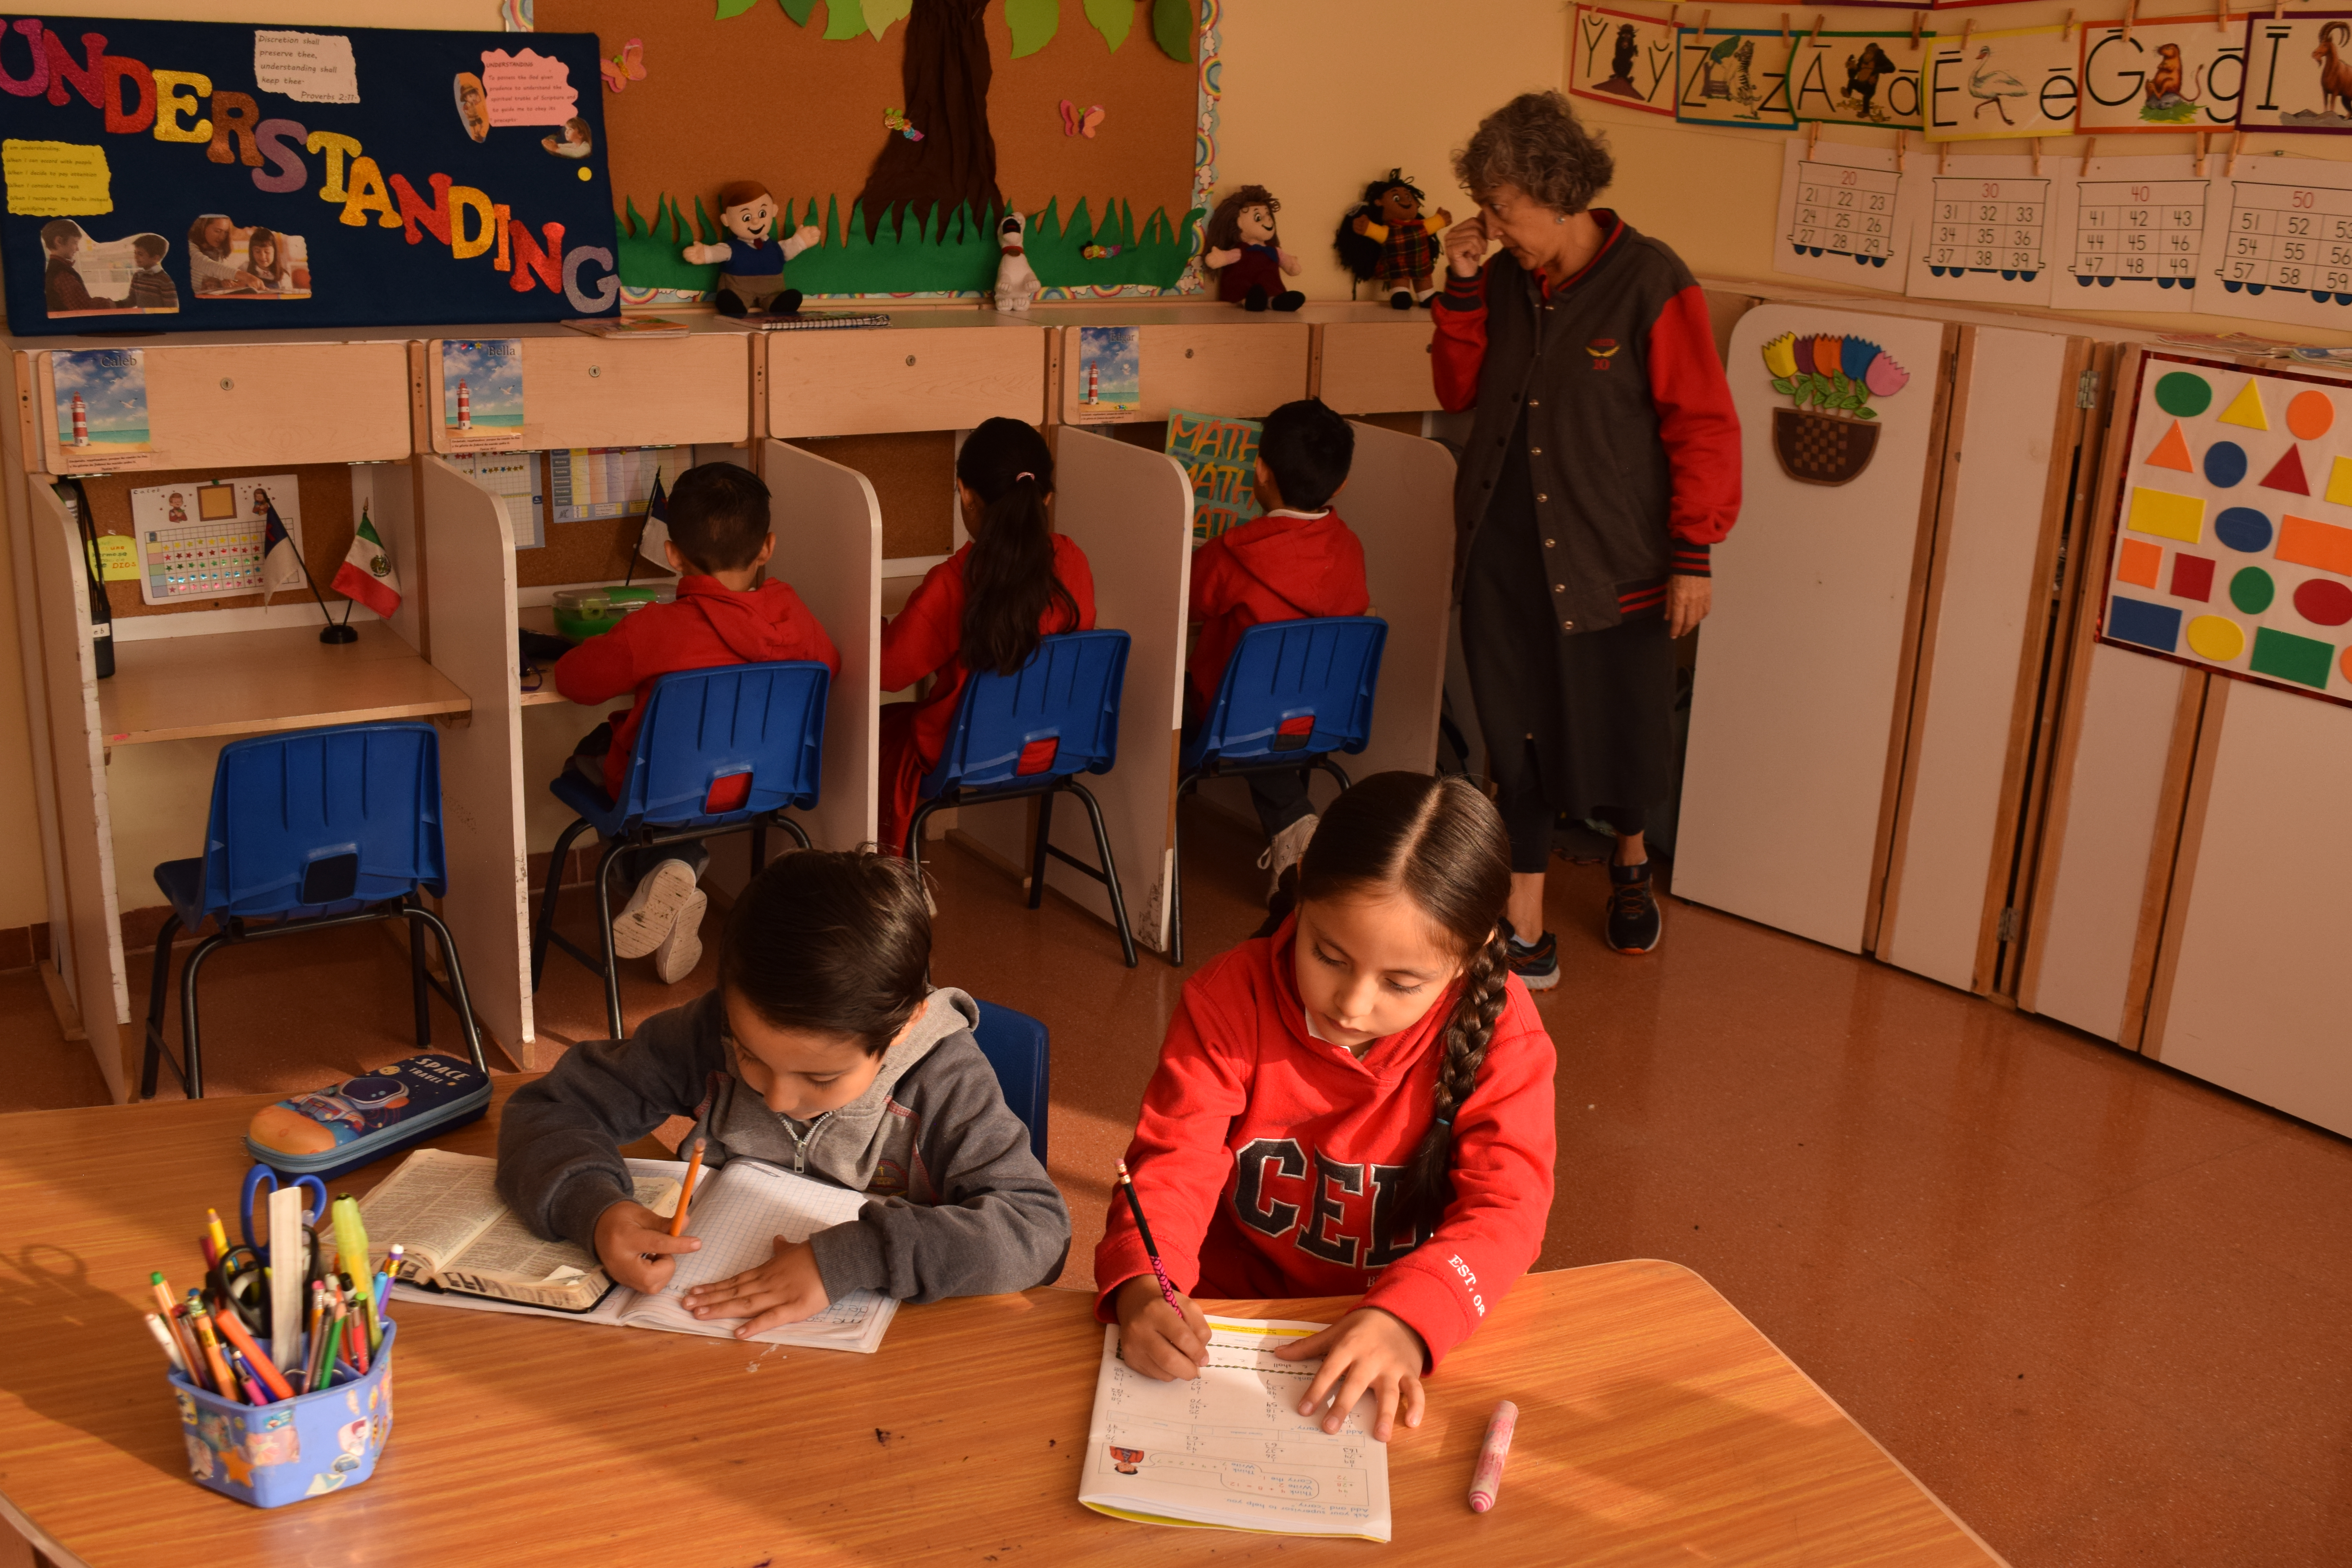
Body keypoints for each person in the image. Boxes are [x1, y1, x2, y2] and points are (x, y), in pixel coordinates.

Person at [1097, 772, 1556, 1442]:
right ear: (1303, 888)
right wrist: (1146, 1287)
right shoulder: (1231, 998)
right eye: (1329, 956)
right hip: (1228, 1326)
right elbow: (1172, 1167)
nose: (1352, 1004)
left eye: (1401, 983)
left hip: (1395, 1327)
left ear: (1469, 958)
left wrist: (1409, 1318)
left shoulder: (1503, 1034)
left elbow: (1508, 1211)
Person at [497, 851, 1070, 1333]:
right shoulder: (707, 1032)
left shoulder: (944, 1079)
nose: (774, 1099)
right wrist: (596, 1209)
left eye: (819, 1078)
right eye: (750, 1055)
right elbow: (551, 1108)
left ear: (905, 1026)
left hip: (895, 1353)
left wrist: (858, 1256)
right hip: (704, 1339)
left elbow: (1038, 1232)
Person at [1433, 90, 1740, 980]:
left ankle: (1630, 862)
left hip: (1613, 558)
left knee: (1621, 729)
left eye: (1501, 207)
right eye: (1486, 206)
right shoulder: (1499, 280)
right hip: (1503, 548)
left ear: (1557, 191)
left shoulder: (1651, 280)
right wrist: (1458, 285)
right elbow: (1458, 390)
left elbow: (1705, 425)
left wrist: (1696, 552)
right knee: (1516, 731)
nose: (1488, 224)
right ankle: (1524, 921)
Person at [553, 463, 840, 982]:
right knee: (651, 793)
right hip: (765, 790)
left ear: (672, 553)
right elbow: (829, 668)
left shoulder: (654, 628)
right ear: (767, 547)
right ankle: (676, 879)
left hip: (663, 792)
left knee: (589, 765)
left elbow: (574, 681)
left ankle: (658, 870)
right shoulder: (792, 613)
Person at [878, 417, 1094, 855]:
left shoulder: (954, 581)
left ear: (965, 493)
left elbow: (888, 672)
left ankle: (894, 877)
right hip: (1054, 742)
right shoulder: (1072, 561)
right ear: (1046, 498)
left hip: (969, 749)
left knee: (881, 733)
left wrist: (877, 624)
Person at [1185, 398, 1369, 892]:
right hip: (1323, 716)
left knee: (1182, 704)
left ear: (1259, 471)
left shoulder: (1233, 552)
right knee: (1276, 709)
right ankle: (1296, 830)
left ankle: (1296, 825)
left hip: (1235, 721)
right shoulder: (1349, 547)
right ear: (1341, 484)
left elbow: (1187, 605)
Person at [40, 221, 112, 313]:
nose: (77, 249)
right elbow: (85, 308)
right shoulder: (62, 274)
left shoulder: (54, 270)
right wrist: (110, 304)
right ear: (59, 241)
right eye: (75, 243)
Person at [126, 234, 178, 310]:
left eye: (140, 254)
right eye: (135, 253)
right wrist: (113, 305)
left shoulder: (165, 281)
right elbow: (131, 301)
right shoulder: (137, 276)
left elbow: (172, 310)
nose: (136, 257)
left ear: (155, 258)